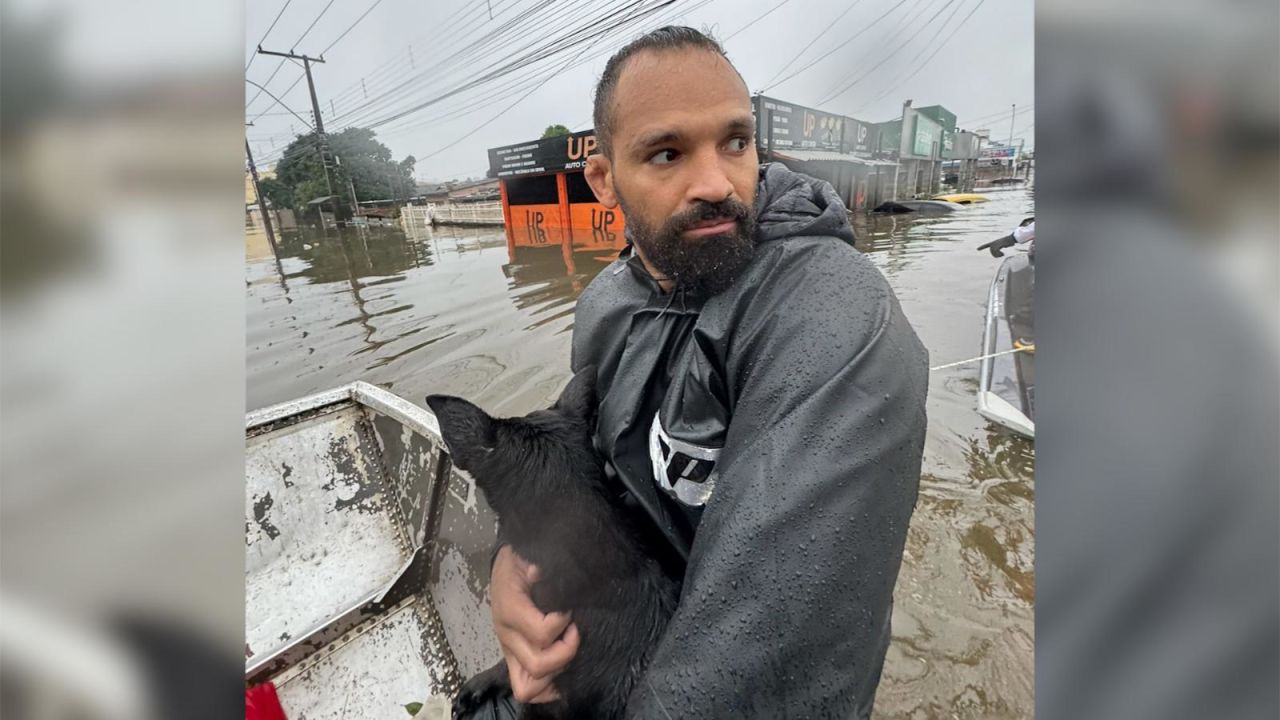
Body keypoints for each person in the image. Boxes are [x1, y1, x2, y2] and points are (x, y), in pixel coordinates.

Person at [485, 26, 928, 718]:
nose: (718, 182)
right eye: (666, 153)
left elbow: (769, 650)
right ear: (603, 179)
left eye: (735, 141)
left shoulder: (831, 317)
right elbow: (584, 476)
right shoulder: (607, 304)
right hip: (636, 635)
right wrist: (511, 561)